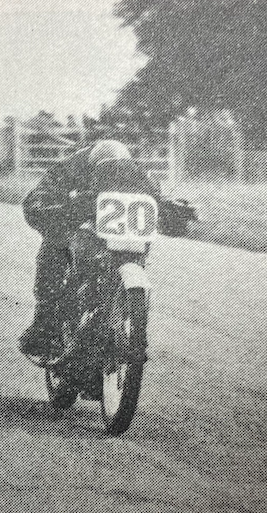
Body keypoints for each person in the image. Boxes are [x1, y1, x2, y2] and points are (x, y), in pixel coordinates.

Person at [19, 139, 164, 358]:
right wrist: (57, 207)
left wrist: (175, 209)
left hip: (122, 242)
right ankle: (45, 322)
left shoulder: (139, 174)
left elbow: (158, 198)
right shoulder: (70, 167)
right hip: (82, 230)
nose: (114, 174)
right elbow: (39, 197)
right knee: (55, 244)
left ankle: (120, 314)